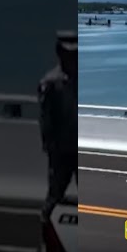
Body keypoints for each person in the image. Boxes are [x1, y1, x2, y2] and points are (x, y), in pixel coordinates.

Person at [38, 32, 78, 222]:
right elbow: (46, 118)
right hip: (61, 150)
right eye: (69, 53)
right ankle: (46, 239)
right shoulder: (51, 82)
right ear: (60, 53)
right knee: (54, 196)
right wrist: (49, 145)